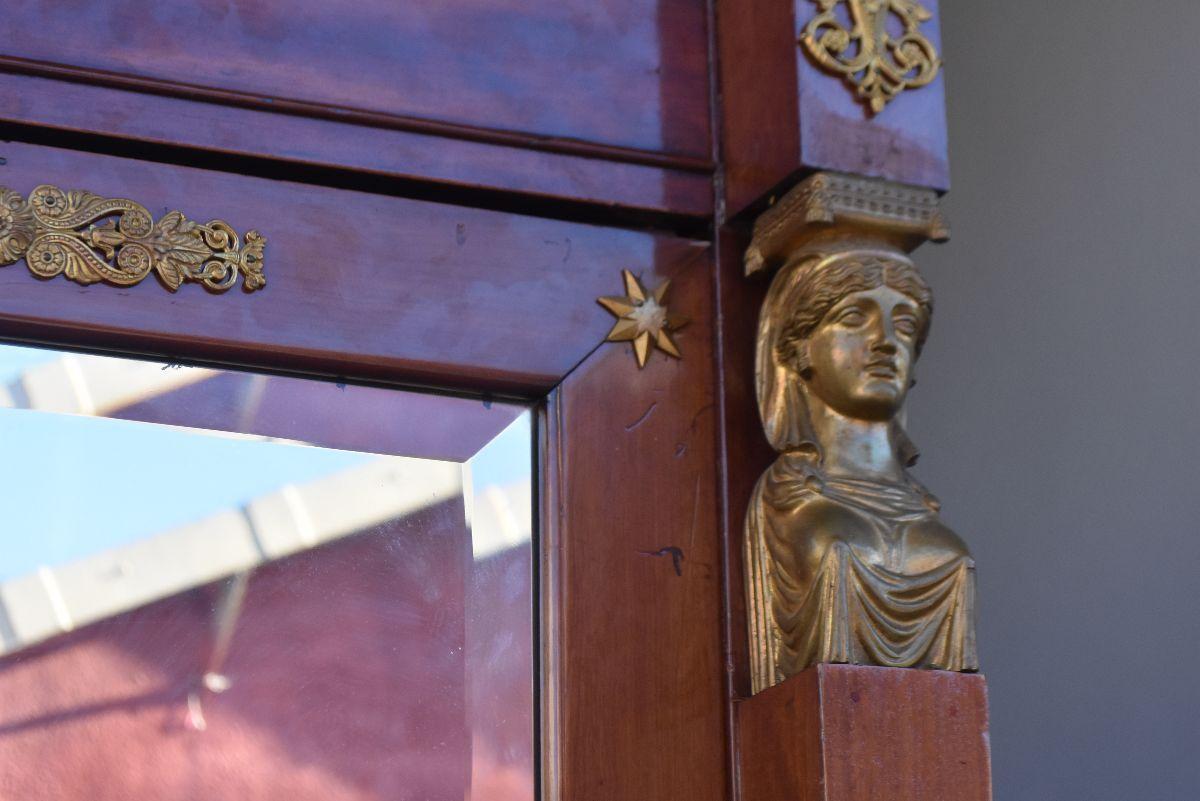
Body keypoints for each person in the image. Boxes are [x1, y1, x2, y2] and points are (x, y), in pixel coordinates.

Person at [745, 246, 977, 693]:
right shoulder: (792, 505)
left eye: (905, 324)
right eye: (854, 317)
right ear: (798, 350)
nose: (887, 340)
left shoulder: (922, 508)